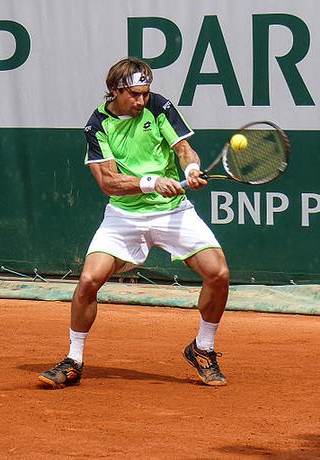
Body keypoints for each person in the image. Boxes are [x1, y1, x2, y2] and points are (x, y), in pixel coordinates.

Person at [38, 57, 229, 389]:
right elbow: (108, 182)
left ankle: (203, 348)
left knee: (219, 274)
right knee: (88, 281)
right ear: (115, 91)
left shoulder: (158, 107)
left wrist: (190, 170)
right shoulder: (97, 125)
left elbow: (184, 149)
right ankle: (74, 360)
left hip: (173, 211)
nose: (142, 100)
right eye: (134, 95)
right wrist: (150, 182)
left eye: (145, 93)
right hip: (124, 216)